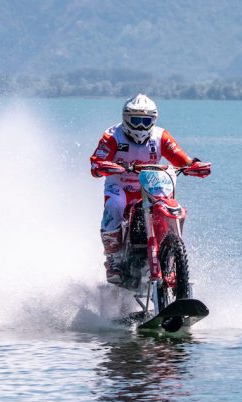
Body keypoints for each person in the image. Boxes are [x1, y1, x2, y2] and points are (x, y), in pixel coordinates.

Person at [90, 94, 211, 284]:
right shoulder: (112, 136)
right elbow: (97, 162)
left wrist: (193, 166)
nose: (140, 126)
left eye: (145, 121)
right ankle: (113, 259)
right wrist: (102, 166)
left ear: (153, 120)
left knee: (170, 207)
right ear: (125, 119)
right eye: (135, 120)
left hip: (152, 186)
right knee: (115, 205)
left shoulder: (161, 136)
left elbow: (181, 158)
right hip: (119, 185)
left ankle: (172, 253)